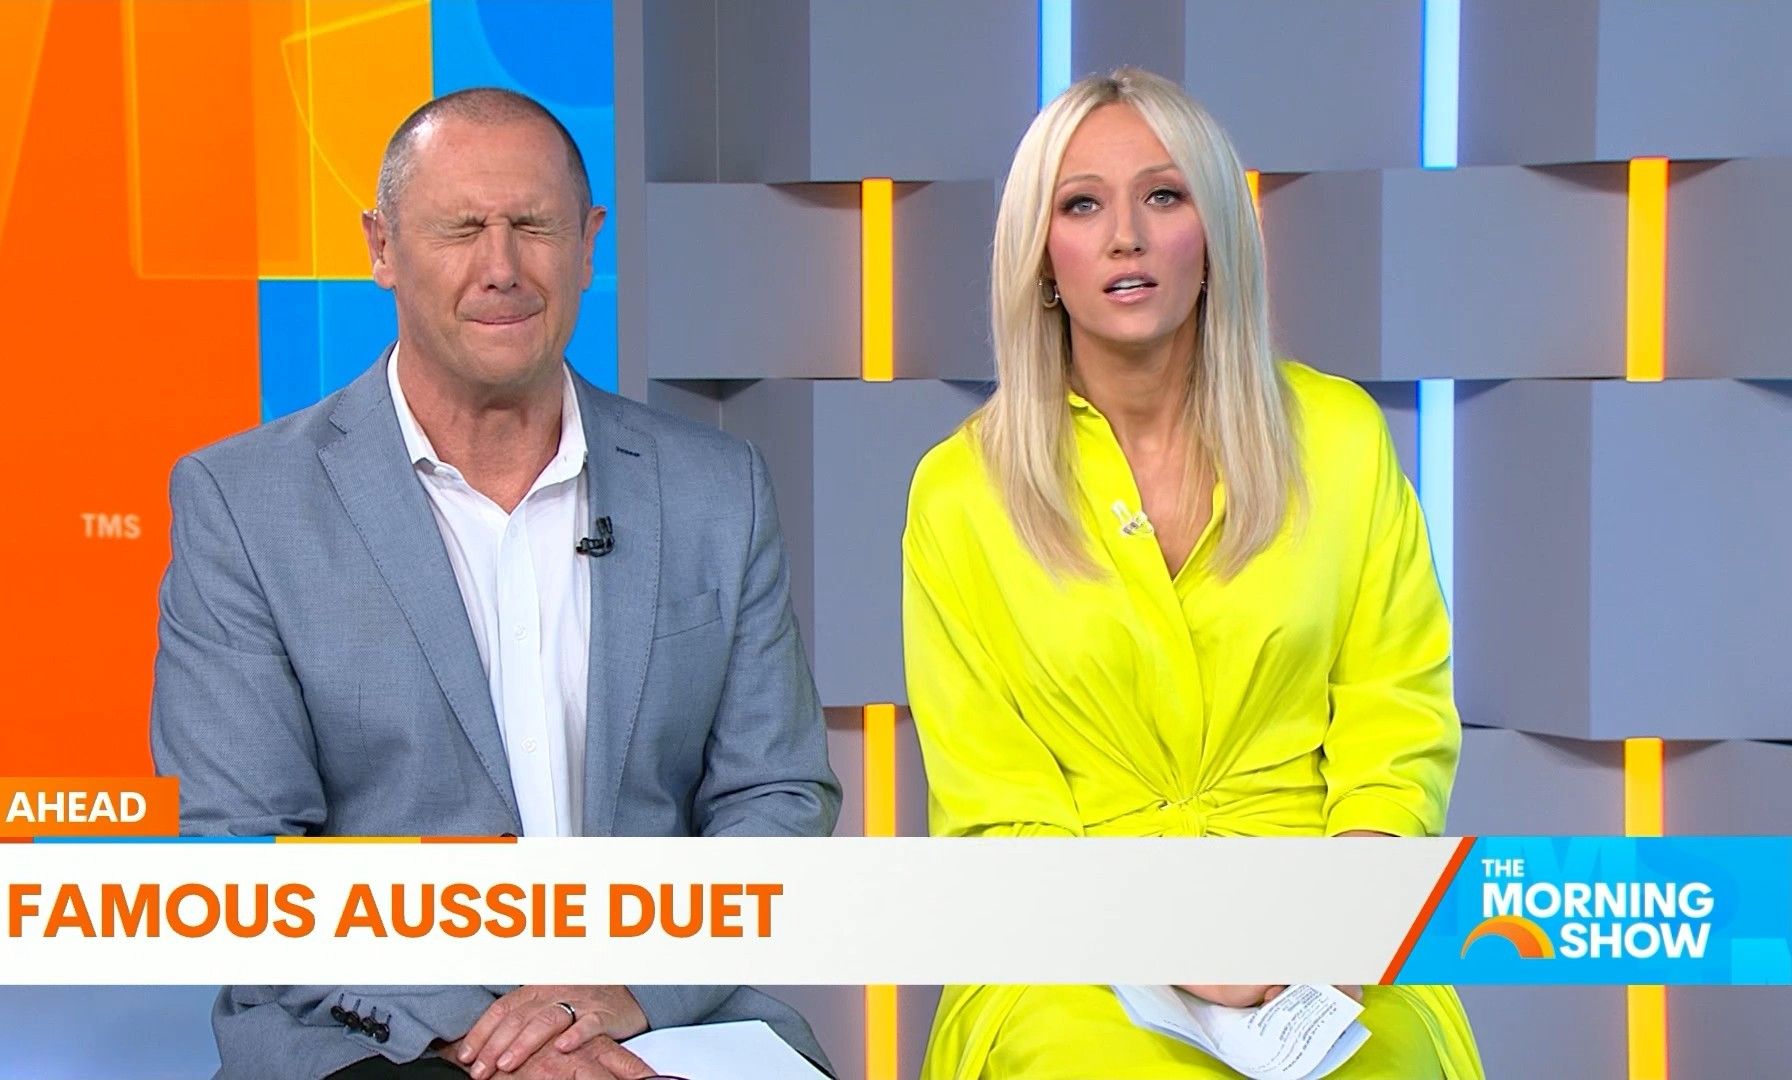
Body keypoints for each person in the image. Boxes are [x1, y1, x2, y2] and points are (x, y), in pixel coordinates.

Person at [151, 88, 840, 1080]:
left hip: (658, 1014)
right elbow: (246, 851)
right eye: (462, 228)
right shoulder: (246, 503)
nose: (503, 267)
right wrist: (497, 1042)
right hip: (377, 1029)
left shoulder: (714, 488)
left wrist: (628, 987)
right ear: (382, 248)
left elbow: (776, 793)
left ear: (589, 243)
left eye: (534, 226)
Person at [901, 68, 1485, 1079]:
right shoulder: (960, 492)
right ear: (1041, 254)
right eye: (1082, 205)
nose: (1125, 236)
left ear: (1214, 234)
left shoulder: (1341, 438)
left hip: (1325, 916)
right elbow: (993, 803)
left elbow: (1397, 721)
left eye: (1163, 196)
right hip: (1075, 936)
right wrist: (1180, 945)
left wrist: (1337, 924)